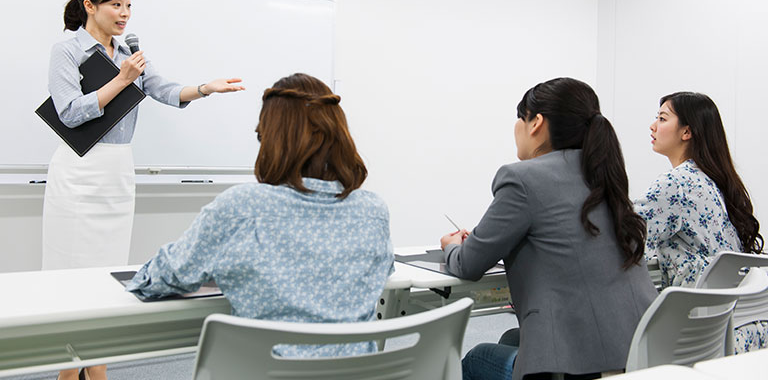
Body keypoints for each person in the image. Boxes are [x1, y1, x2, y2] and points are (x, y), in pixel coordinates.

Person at [44, 0, 244, 380]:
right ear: (89, 7)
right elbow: (69, 111)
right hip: (79, 168)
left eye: (129, 5)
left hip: (117, 170)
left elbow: (166, 90)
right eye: (116, 4)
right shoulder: (67, 51)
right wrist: (121, 80)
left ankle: (95, 364)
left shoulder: (130, 53)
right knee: (70, 277)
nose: (124, 14)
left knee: (105, 277)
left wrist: (205, 88)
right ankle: (70, 370)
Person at [126, 73, 394, 358]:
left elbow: (163, 278)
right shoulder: (372, 211)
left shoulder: (242, 207)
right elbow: (381, 272)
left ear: (269, 138)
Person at [440, 77, 657, 380]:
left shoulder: (522, 178)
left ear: (536, 123)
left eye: (520, 118)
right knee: (511, 339)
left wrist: (450, 245)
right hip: (638, 353)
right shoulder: (604, 174)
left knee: (476, 358)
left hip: (576, 365)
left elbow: (468, 263)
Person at [635, 91, 764, 351]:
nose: (652, 126)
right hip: (738, 331)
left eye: (662, 118)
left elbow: (626, 234)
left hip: (697, 333)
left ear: (686, 132)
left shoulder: (675, 183)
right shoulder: (713, 182)